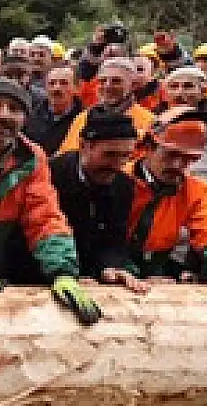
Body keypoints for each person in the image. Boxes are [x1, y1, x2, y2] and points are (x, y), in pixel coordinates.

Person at [0, 78, 101, 325]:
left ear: (24, 120)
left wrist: (63, 271)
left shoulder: (32, 158)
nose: (3, 116)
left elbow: (45, 216)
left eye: (14, 110)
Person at [48, 109, 147, 292]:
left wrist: (110, 266)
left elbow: (114, 238)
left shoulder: (124, 186)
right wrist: (67, 275)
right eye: (109, 155)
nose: (117, 165)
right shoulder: (49, 176)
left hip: (91, 283)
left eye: (125, 156)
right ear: (84, 145)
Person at [126, 107, 207, 284]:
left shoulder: (195, 190)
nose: (178, 165)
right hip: (108, 267)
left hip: (156, 270)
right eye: (171, 155)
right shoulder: (119, 181)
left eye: (188, 159)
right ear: (149, 148)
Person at [57, 58, 156, 154]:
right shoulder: (82, 118)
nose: (107, 86)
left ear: (133, 85)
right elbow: (64, 155)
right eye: (102, 81)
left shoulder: (149, 122)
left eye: (116, 81)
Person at [25, 65, 84, 155]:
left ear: (77, 88)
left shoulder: (86, 119)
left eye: (64, 83)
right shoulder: (30, 118)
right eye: (52, 83)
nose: (56, 88)